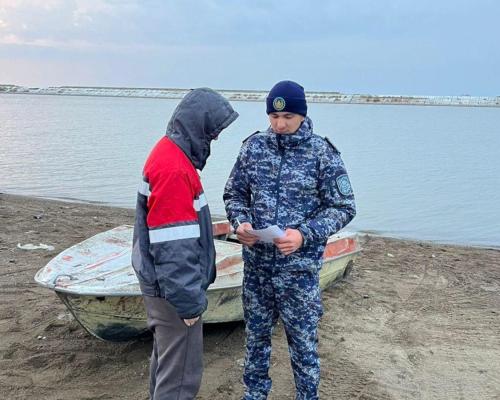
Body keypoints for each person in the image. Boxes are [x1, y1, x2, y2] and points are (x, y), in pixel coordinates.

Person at [223, 80, 356, 399]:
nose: (280, 124)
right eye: (274, 117)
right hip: (257, 270)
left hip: (299, 272)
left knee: (303, 344)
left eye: (288, 117)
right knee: (255, 340)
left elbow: (343, 206)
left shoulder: (322, 153)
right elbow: (234, 193)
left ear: (302, 115)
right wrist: (241, 223)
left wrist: (303, 235)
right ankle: (254, 395)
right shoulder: (254, 147)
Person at [132, 88, 238, 400]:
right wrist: (188, 302)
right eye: (213, 131)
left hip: (162, 286)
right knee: (179, 380)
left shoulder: (168, 153)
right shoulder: (174, 169)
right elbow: (173, 247)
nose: (215, 138)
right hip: (173, 293)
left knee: (166, 366)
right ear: (198, 126)